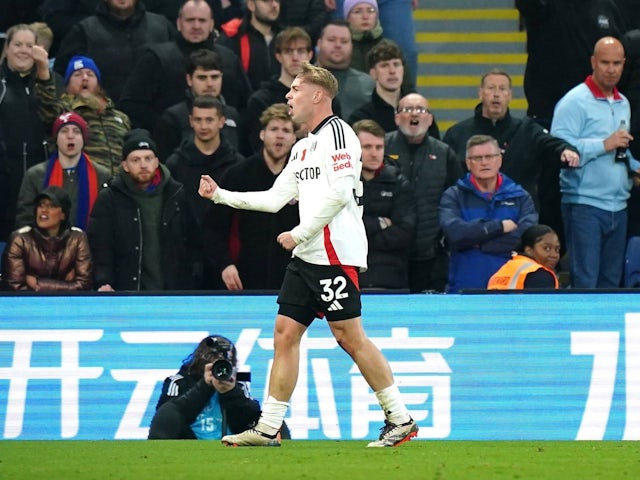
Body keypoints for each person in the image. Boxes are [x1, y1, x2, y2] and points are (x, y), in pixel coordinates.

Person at [198, 62, 418, 447]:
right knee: (285, 335)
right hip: (308, 255)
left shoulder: (340, 134)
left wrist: (299, 232)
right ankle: (268, 427)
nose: (288, 95)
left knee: (350, 337)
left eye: (296, 89)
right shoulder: (303, 148)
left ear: (318, 95)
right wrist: (220, 195)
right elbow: (273, 199)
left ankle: (400, 419)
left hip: (333, 253)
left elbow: (339, 193)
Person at [441, 69, 579, 245]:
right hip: (471, 222)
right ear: (480, 93)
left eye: (502, 89)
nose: (496, 94)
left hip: (517, 224)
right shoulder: (457, 133)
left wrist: (565, 150)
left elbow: (551, 145)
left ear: (510, 95)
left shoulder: (527, 130)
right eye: (491, 88)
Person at [551, 36, 640, 289]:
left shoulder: (623, 103)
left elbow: (621, 146)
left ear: (624, 64)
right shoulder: (574, 101)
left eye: (616, 63)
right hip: (584, 206)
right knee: (585, 283)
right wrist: (604, 144)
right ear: (593, 62)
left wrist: (634, 166)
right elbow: (558, 148)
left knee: (611, 284)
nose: (611, 69)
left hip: (619, 206)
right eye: (605, 62)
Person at [204, 103, 299, 291]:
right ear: (262, 134)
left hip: (294, 277)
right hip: (245, 277)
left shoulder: (305, 177)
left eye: (286, 130)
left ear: (295, 138)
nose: (280, 135)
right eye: (274, 129)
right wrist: (225, 264)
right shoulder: (239, 174)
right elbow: (213, 226)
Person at [118, 0, 251, 132]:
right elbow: (131, 105)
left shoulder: (229, 59)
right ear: (179, 23)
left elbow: (245, 105)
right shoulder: (156, 58)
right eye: (190, 20)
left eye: (202, 20)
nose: (196, 26)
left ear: (212, 24)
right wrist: (166, 128)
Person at [87, 129, 193, 291]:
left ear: (157, 162)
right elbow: (100, 246)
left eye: (148, 158)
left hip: (173, 292)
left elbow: (192, 240)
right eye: (135, 160)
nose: (143, 165)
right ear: (125, 166)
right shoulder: (110, 197)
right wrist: (103, 280)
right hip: (126, 291)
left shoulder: (176, 194)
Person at [439, 134, 538, 293]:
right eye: (477, 158)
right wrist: (498, 227)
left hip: (510, 286)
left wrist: (480, 243)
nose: (484, 162)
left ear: (499, 160)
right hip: (465, 287)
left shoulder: (520, 197)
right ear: (468, 163)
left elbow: (526, 238)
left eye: (490, 156)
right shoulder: (453, 196)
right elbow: (455, 233)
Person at [384, 92, 462, 293]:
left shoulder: (444, 153)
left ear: (430, 118)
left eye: (420, 109)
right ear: (396, 117)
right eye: (407, 109)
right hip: (387, 251)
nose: (413, 114)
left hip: (430, 251)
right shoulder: (381, 148)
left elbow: (456, 197)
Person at [166, 96, 244, 289]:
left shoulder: (237, 165)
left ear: (222, 121)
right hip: (184, 256)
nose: (203, 125)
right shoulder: (175, 164)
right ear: (190, 121)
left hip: (227, 257)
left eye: (209, 120)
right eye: (198, 120)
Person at [516, 0, 629, 129]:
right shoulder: (544, 5)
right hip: (548, 112)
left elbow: (620, 54)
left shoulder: (607, 6)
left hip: (596, 114)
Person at [0, 24, 64, 244]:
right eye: (17, 44)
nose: (23, 50)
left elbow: (54, 121)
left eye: (30, 45)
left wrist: (44, 73)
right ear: (7, 48)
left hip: (40, 179)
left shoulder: (51, 81)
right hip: (4, 178)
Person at [52, 0, 175, 104]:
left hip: (157, 119)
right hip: (102, 119)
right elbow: (60, 76)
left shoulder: (162, 27)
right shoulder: (83, 31)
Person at [33, 52, 132, 174]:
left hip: (117, 188)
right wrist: (43, 71)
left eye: (90, 74)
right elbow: (47, 105)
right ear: (67, 86)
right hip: (82, 183)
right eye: (77, 74)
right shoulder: (63, 112)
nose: (85, 77)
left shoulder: (120, 117)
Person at [148, 335, 262, 440]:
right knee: (167, 412)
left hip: (232, 445)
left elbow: (252, 418)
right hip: (188, 444)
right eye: (212, 360)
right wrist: (204, 386)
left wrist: (231, 393)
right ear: (200, 360)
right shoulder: (178, 382)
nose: (218, 369)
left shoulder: (238, 385)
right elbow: (164, 418)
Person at [15, 112, 111, 231]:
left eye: (76, 131)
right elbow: (25, 219)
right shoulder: (35, 174)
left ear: (83, 139)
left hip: (89, 246)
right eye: (64, 131)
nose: (70, 136)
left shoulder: (102, 175)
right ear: (56, 139)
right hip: (45, 246)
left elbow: (107, 219)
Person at [353, 119, 415, 290]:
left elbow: (405, 232)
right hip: (351, 274)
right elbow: (340, 230)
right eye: (367, 147)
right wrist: (381, 223)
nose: (374, 153)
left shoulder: (398, 182)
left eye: (379, 147)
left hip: (391, 276)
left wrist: (359, 233)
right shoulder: (341, 183)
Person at [153, 49, 241, 161]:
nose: (209, 84)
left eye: (214, 77)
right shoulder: (172, 118)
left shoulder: (232, 115)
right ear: (189, 79)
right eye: (202, 78)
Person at [2, 185, 92, 291]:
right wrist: (66, 284)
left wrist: (37, 284)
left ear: (63, 214)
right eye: (41, 205)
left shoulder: (78, 238)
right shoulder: (20, 239)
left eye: (52, 206)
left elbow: (84, 285)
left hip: (68, 304)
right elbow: (15, 287)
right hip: (28, 305)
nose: (44, 210)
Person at [242, 26, 314, 154]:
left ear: (310, 54)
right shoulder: (260, 101)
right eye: (288, 51)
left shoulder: (323, 98)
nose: (295, 57)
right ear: (278, 56)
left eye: (301, 51)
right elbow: (257, 148)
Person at [348, 39, 439, 138]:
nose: (392, 71)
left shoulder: (421, 112)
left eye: (396, 64)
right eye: (384, 65)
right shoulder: (361, 118)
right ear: (373, 73)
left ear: (403, 70)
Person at [315, 20, 374, 120]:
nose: (338, 45)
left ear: (352, 46)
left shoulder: (367, 84)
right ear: (319, 43)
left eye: (344, 41)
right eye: (331, 40)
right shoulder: (302, 80)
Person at [218, 0, 282, 91]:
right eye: (267, 1)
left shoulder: (285, 37)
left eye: (277, 1)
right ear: (251, 5)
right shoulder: (233, 37)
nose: (274, 5)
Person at [487, 224, 561, 290]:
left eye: (557, 249)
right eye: (547, 248)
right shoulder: (539, 275)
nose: (554, 255)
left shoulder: (502, 271)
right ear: (529, 250)